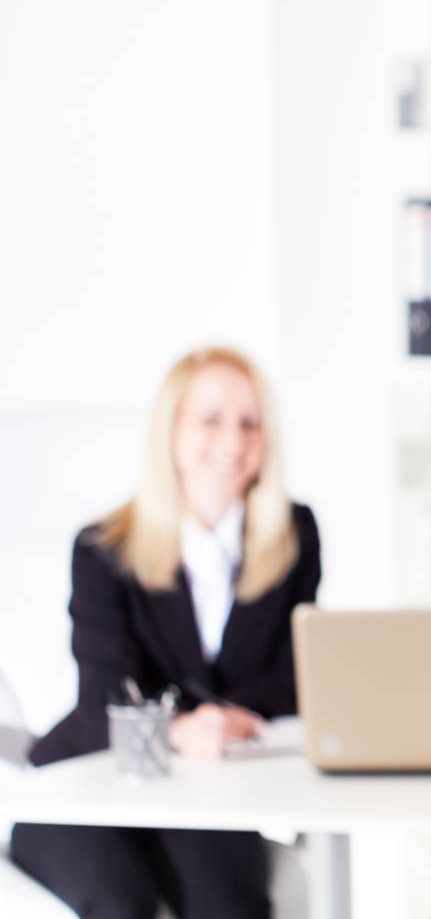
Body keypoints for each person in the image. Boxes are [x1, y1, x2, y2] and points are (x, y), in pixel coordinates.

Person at [11, 346, 321, 919]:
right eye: (211, 419)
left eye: (250, 422)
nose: (233, 441)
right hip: (84, 778)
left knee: (229, 904)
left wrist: (215, 725)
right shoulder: (103, 549)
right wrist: (182, 729)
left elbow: (293, 676)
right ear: (171, 430)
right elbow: (104, 695)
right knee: (121, 902)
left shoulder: (292, 537)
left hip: (203, 787)